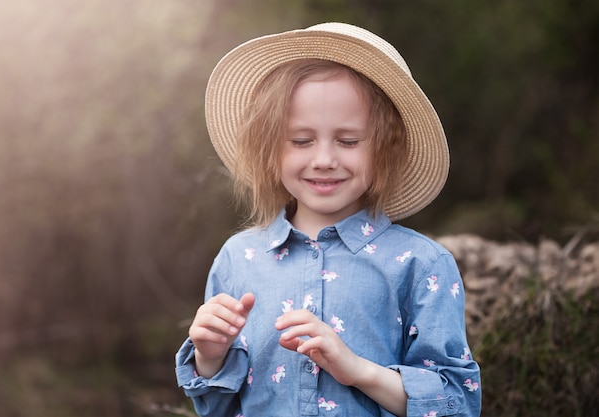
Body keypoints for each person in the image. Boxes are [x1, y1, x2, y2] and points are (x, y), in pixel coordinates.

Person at [175, 22, 481, 417]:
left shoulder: (421, 265)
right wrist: (210, 356)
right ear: (271, 148)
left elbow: (457, 403)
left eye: (348, 141)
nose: (323, 159)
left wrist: (356, 370)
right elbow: (216, 408)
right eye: (301, 140)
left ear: (386, 147)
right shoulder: (239, 259)